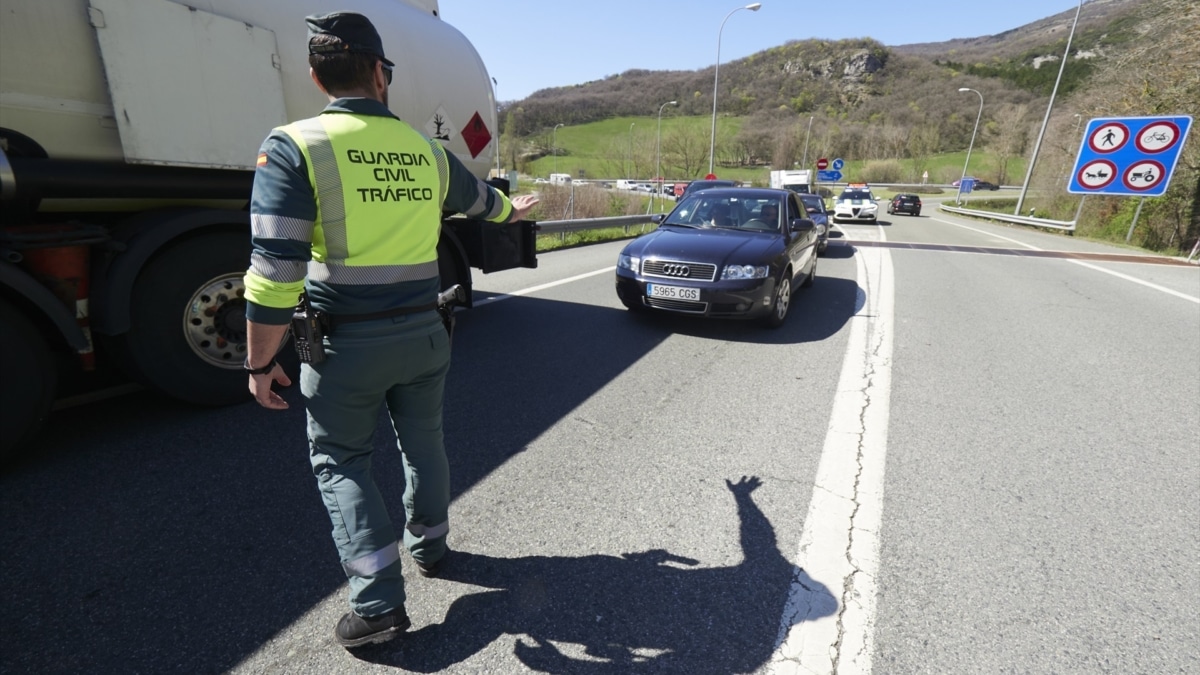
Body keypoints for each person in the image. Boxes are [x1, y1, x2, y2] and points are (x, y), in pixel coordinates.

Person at [241, 11, 538, 649]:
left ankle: (377, 607)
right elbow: (484, 202)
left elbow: (273, 274)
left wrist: (258, 362)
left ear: (316, 76)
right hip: (427, 334)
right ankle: (431, 550)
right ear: (381, 74)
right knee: (422, 441)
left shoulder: (295, 146)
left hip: (345, 344)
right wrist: (517, 207)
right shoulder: (426, 151)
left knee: (342, 461)